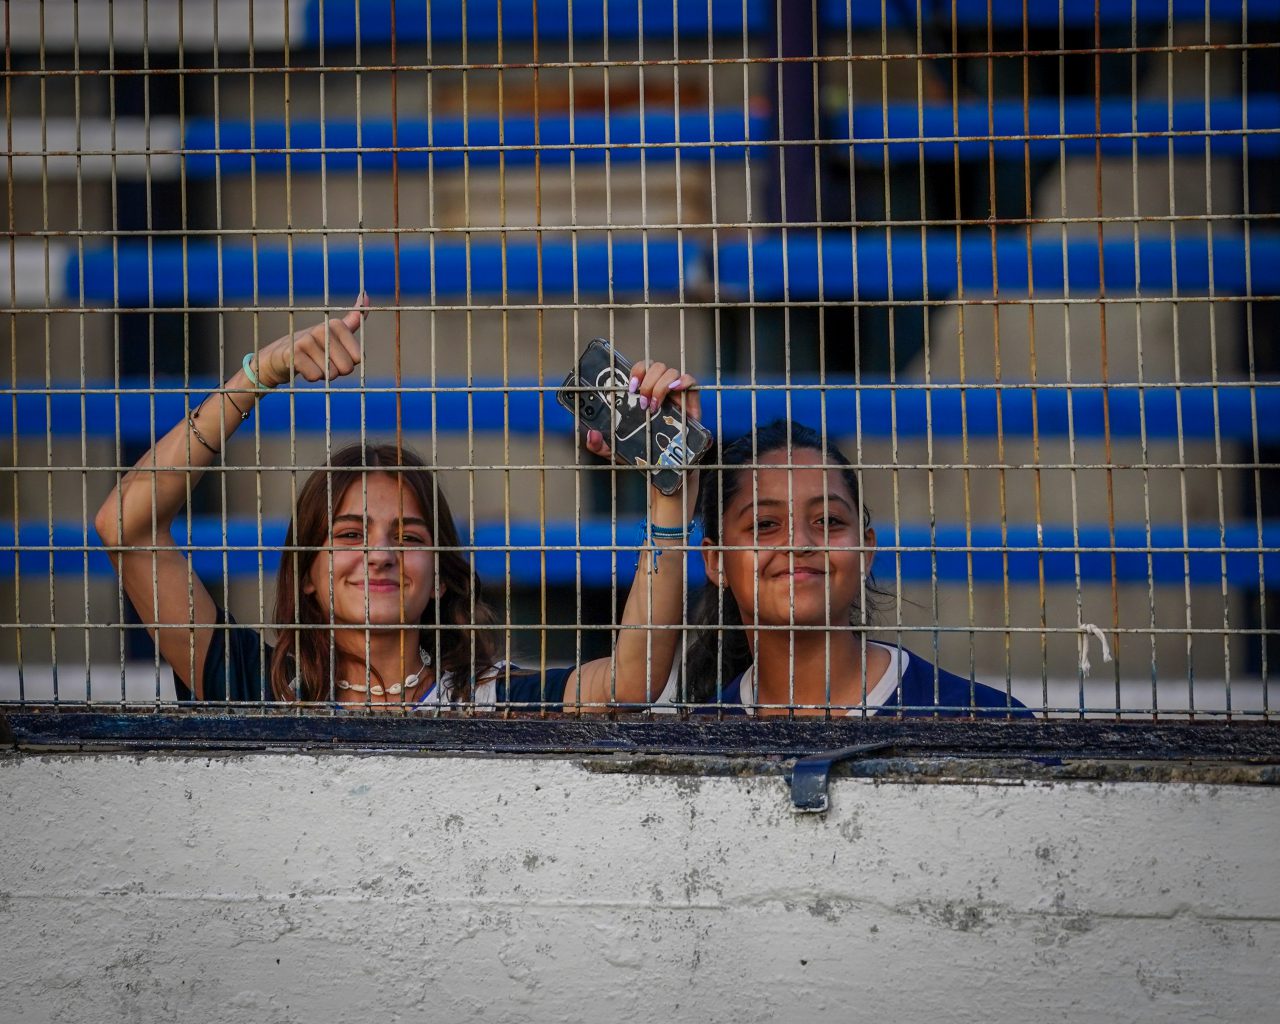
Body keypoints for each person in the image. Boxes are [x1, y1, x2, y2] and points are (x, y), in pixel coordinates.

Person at [93, 294, 701, 710]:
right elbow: (125, 526)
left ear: (440, 576)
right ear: (306, 574)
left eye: (408, 537)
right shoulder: (257, 687)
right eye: (349, 534)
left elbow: (632, 681)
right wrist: (259, 374)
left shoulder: (490, 701)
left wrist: (669, 487)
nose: (379, 554)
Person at [660, 420, 1031, 717]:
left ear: (865, 550)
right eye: (765, 524)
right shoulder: (706, 737)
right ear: (716, 561)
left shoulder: (984, 719)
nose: (800, 543)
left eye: (829, 521)